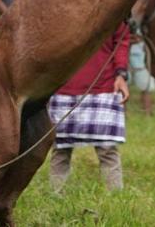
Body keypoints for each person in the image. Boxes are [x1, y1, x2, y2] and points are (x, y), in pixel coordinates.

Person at [48, 23, 130, 192]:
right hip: (64, 86)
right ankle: (55, 195)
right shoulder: (62, 7)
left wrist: (121, 74)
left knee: (107, 148)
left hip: (104, 85)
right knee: (61, 148)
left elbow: (122, 39)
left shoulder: (113, 7)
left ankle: (116, 197)